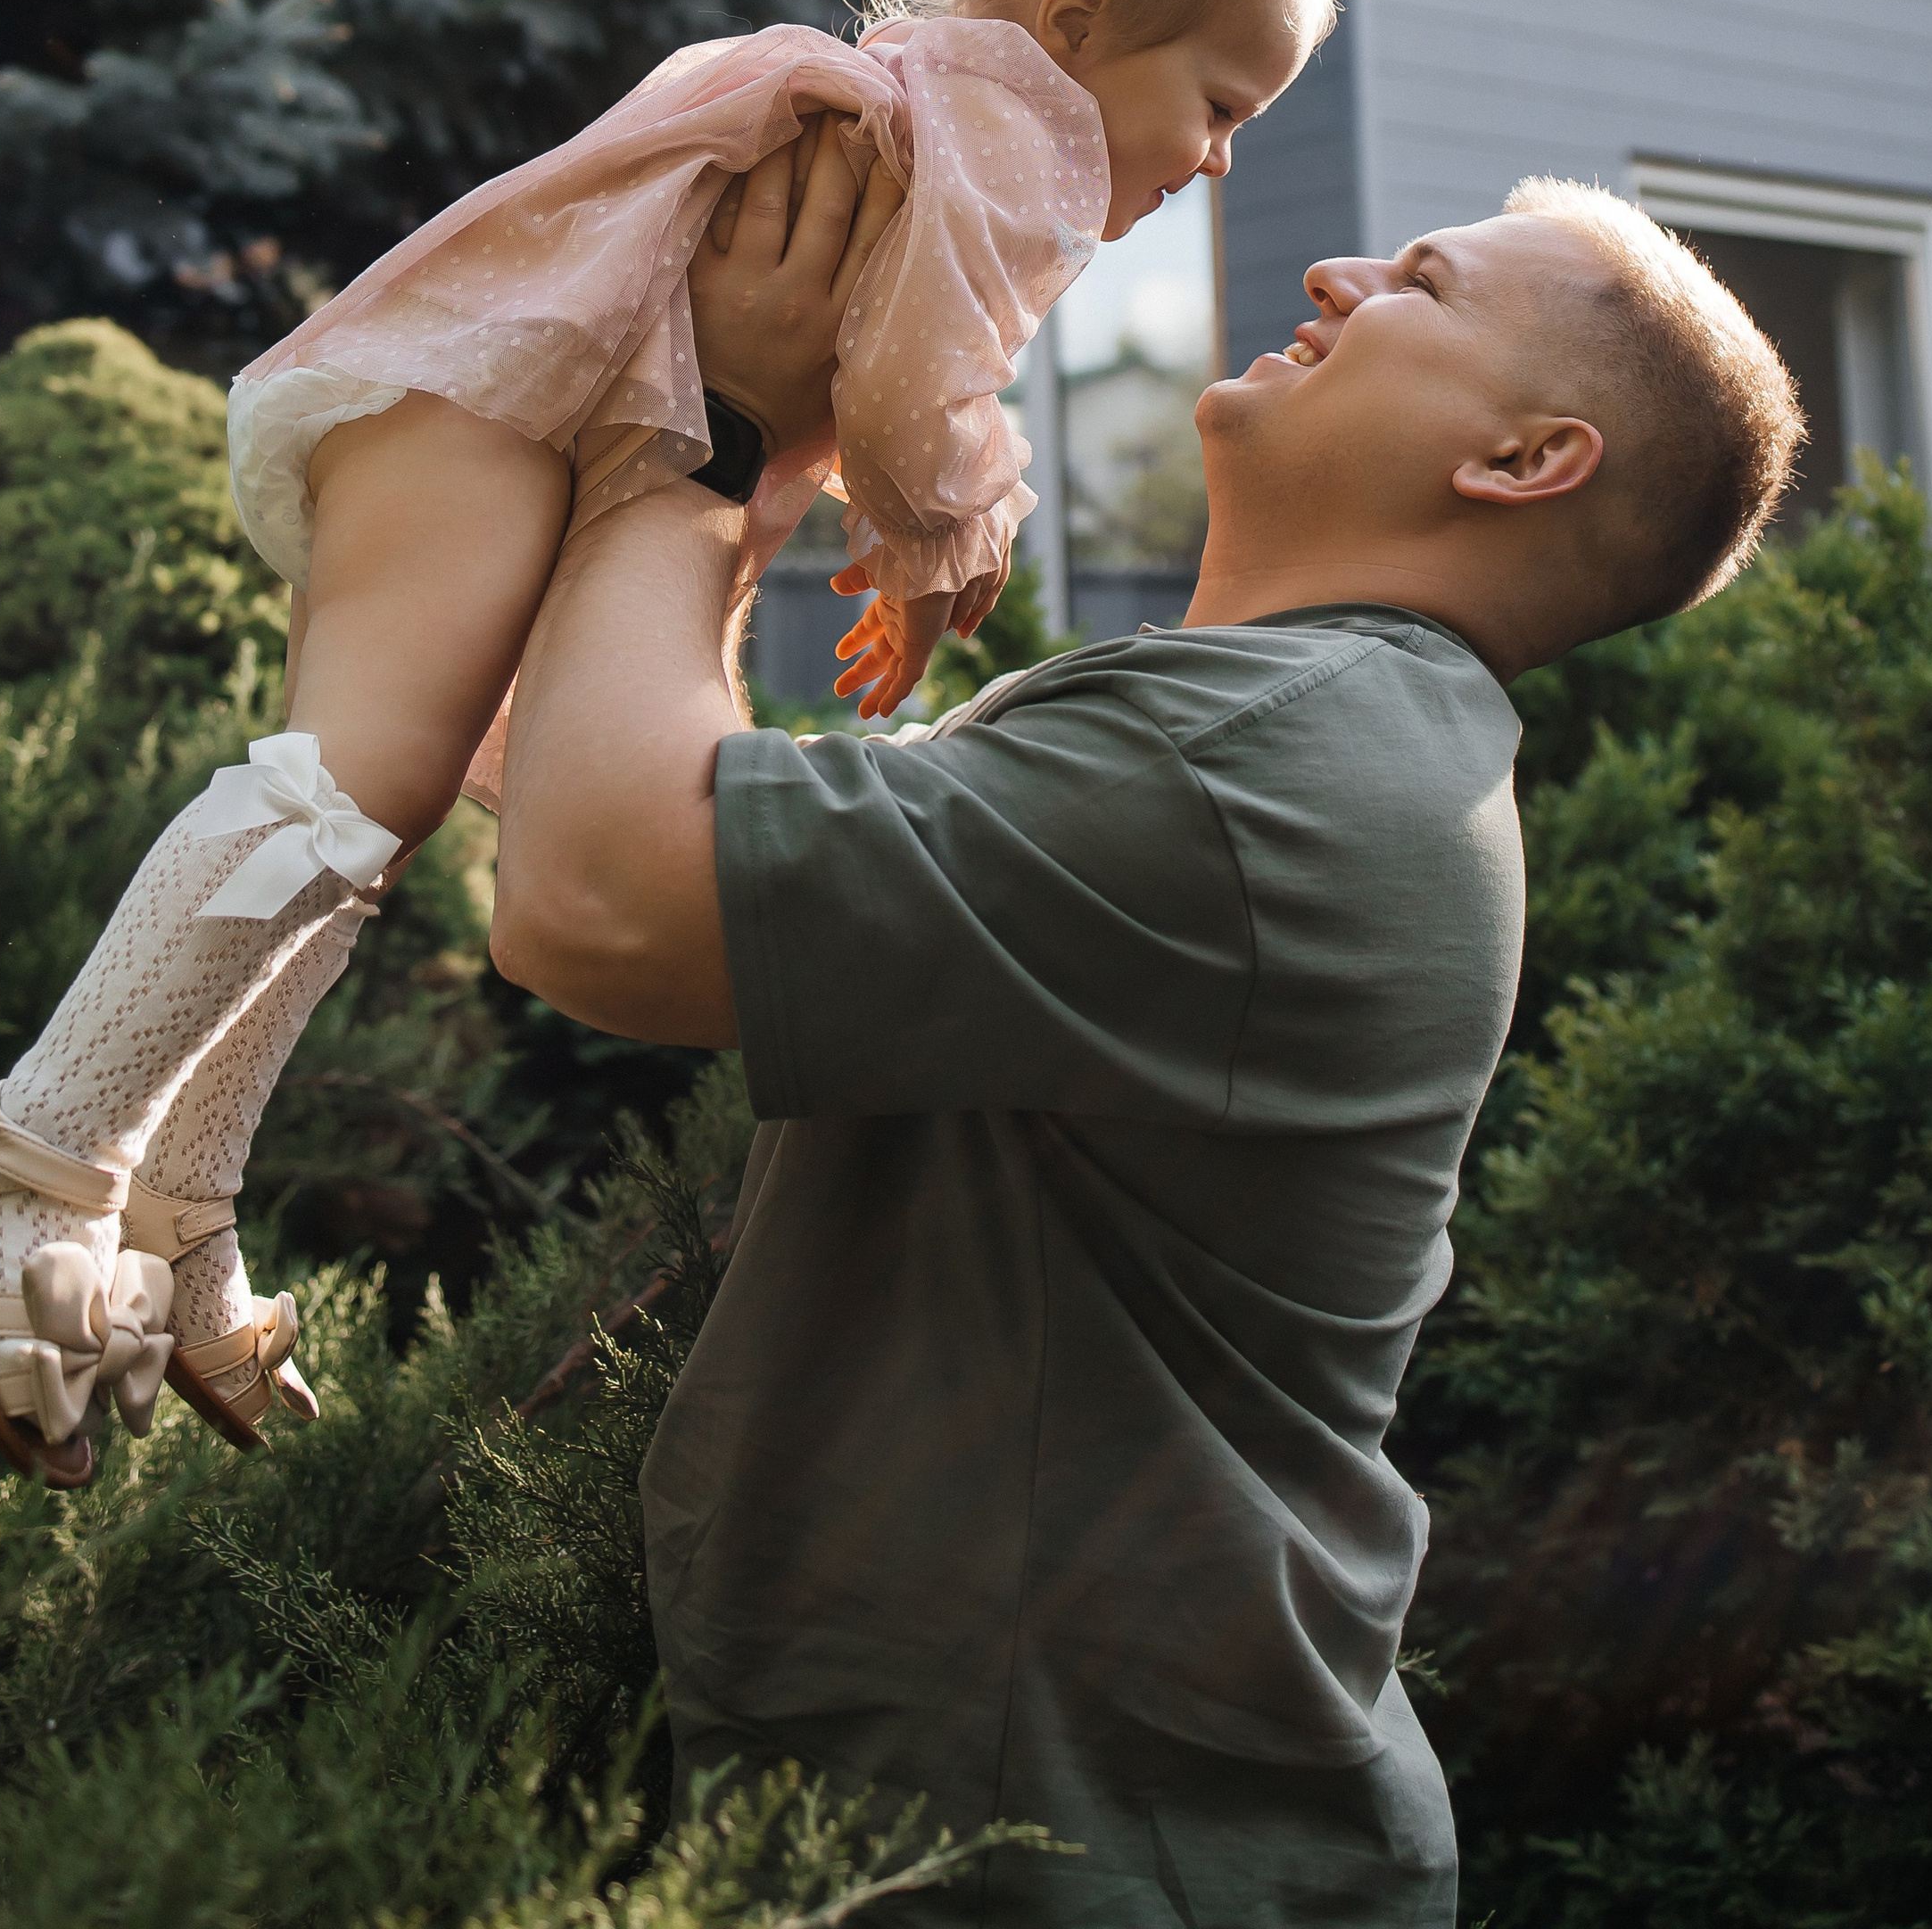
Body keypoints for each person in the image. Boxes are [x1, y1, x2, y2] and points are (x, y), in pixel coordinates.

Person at [0, 0, 1342, 1485]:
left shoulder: (927, 101)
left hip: (486, 399)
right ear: (1086, 17)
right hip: (494, 404)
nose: (1225, 157)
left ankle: (181, 1196)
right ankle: (39, 1141)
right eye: (1222, 100)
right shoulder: (997, 133)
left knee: (370, 815)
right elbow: (913, 377)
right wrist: (938, 529)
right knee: (345, 787)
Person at [486, 158, 1804, 1925]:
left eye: (1420, 281)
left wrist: (719, 425)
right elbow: (623, 800)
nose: (1333, 270)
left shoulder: (1261, 766)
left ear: (1517, 459)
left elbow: (592, 897)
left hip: (1071, 1852)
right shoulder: (1306, 732)